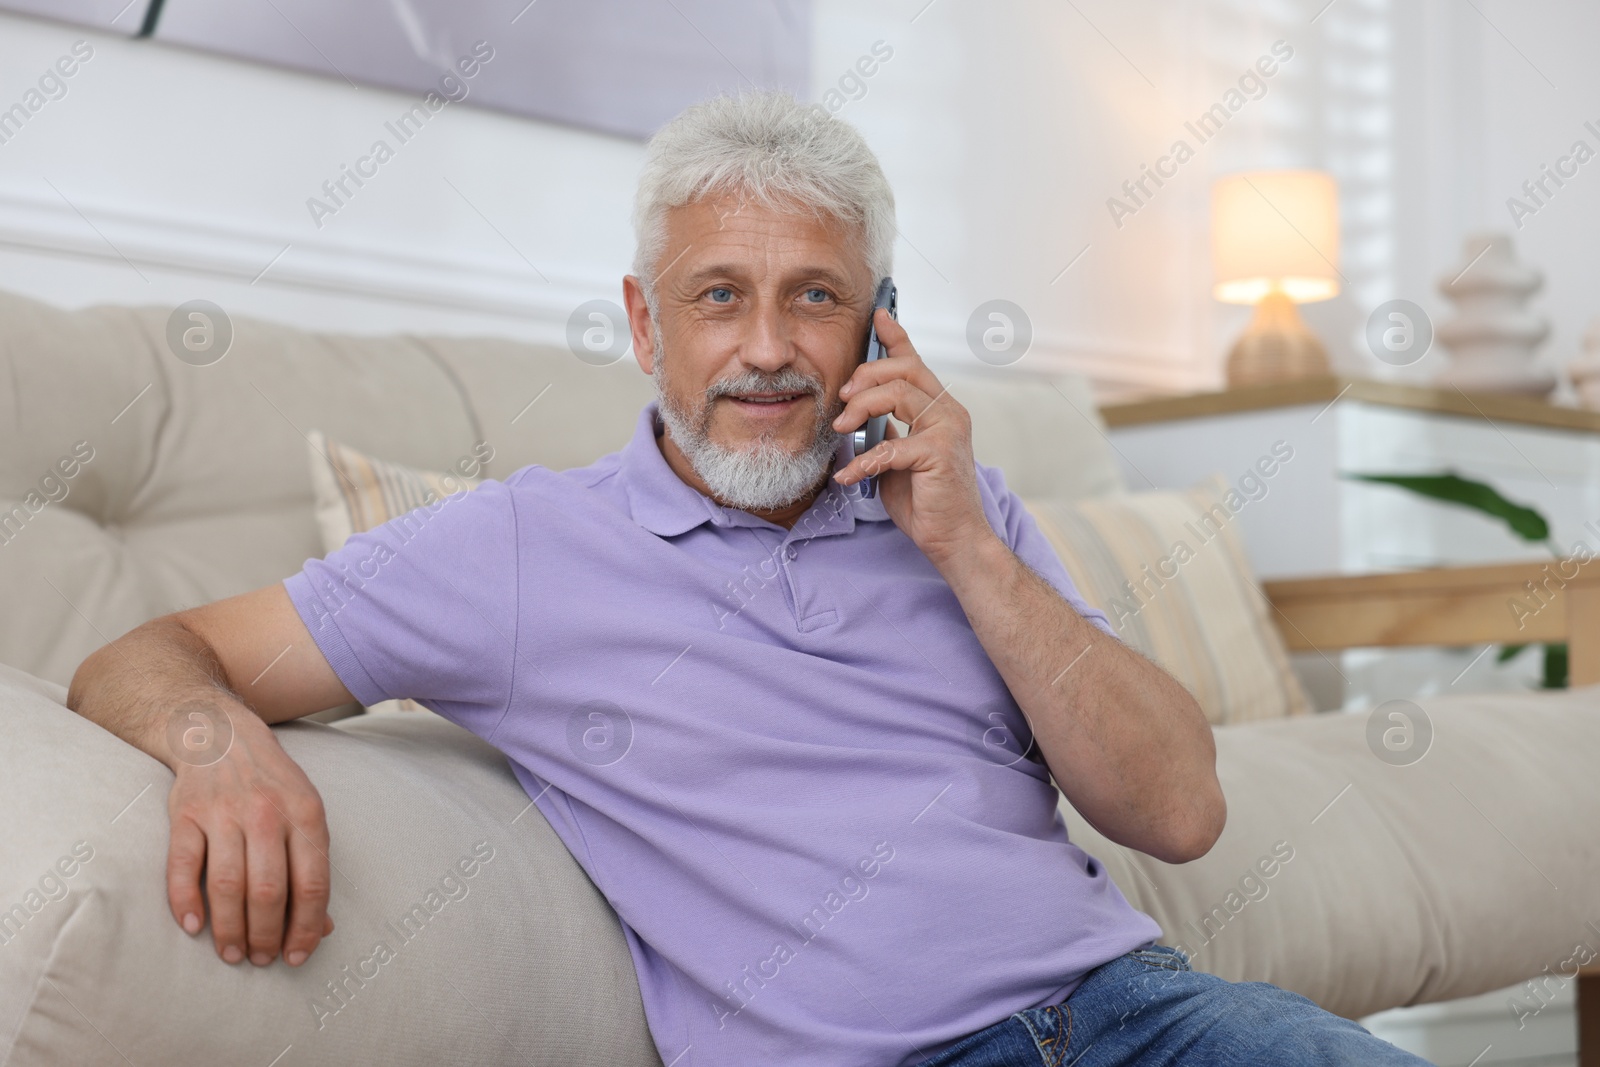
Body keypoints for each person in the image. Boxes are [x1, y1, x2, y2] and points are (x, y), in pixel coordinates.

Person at [67, 90, 1429, 1067]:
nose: (767, 347)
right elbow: (152, 652)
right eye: (720, 296)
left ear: (880, 321)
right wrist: (219, 750)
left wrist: (962, 544)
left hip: (1148, 1015)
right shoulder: (522, 552)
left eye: (817, 298)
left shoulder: (962, 506)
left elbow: (1180, 809)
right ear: (645, 322)